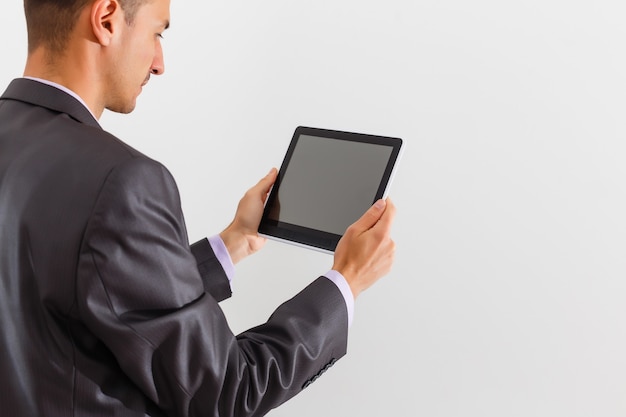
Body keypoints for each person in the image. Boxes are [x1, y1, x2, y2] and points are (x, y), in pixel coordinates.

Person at [0, 0, 396, 416]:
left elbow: (89, 290)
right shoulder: (124, 181)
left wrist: (233, 243)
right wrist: (346, 281)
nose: (159, 63)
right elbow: (227, 391)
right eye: (157, 33)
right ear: (107, 19)